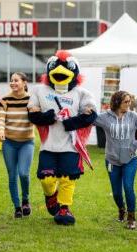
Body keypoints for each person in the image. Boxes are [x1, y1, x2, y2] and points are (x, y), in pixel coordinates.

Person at [28, 50, 97, 225]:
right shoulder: (39, 90)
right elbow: (32, 114)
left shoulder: (82, 93)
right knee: (46, 178)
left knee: (67, 178)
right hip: (48, 145)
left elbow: (91, 116)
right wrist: (48, 117)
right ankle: (51, 195)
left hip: (71, 146)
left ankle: (65, 208)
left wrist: (71, 122)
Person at [94, 91, 137, 229]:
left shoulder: (133, 116)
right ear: (116, 102)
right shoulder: (105, 117)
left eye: (129, 101)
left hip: (131, 158)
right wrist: (87, 111)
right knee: (116, 192)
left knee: (128, 186)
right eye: (126, 102)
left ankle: (131, 217)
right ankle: (121, 209)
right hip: (112, 160)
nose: (129, 104)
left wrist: (135, 144)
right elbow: (88, 120)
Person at [0, 72, 34, 218]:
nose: (13, 83)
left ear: (24, 83)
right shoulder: (5, 100)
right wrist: (0, 131)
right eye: (11, 80)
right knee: (12, 176)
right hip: (9, 143)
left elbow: (37, 116)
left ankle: (25, 199)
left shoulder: (31, 100)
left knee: (23, 173)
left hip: (27, 142)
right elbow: (0, 118)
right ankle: (17, 207)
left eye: (16, 80)